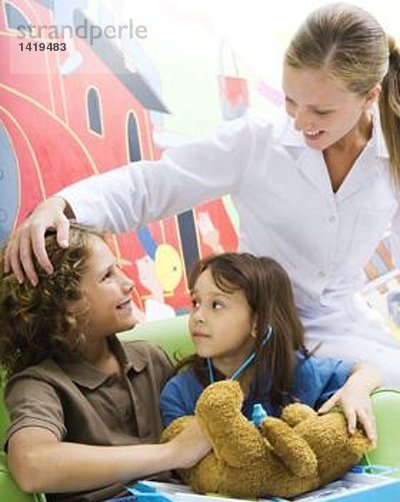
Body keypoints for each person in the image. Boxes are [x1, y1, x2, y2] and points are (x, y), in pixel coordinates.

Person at [4, 2, 400, 385]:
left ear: (369, 97)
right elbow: (154, 185)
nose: (299, 121)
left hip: (349, 327)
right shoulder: (257, 141)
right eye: (291, 101)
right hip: (260, 324)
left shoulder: (393, 155)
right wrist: (61, 204)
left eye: (321, 112)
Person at [0, 226, 315, 502]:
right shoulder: (38, 382)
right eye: (108, 276)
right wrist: (171, 453)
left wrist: (358, 381)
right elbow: (32, 463)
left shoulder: (150, 359)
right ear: (67, 307)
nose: (127, 282)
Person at [159, 251, 400, 502]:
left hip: (314, 498)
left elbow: (364, 369)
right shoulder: (182, 392)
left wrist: (358, 388)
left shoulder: (293, 369)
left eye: (216, 305)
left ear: (258, 322)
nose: (197, 317)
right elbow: (189, 466)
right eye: (195, 302)